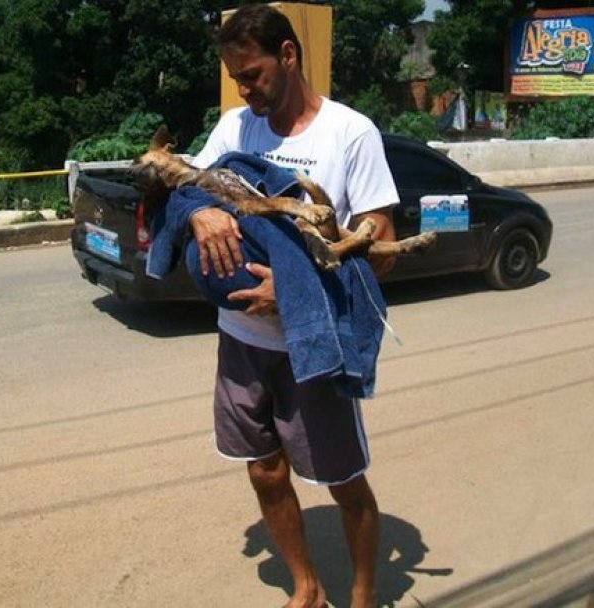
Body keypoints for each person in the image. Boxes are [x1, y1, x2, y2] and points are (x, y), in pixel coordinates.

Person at [189, 5, 400, 607]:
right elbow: (190, 184)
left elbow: (379, 248)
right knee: (263, 469)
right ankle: (306, 587)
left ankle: (361, 595)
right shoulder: (235, 130)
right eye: (235, 77)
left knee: (343, 480)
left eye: (252, 73)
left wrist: (301, 284)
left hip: (313, 344)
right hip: (240, 340)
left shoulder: (349, 133)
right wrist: (201, 210)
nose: (244, 89)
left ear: (288, 55)